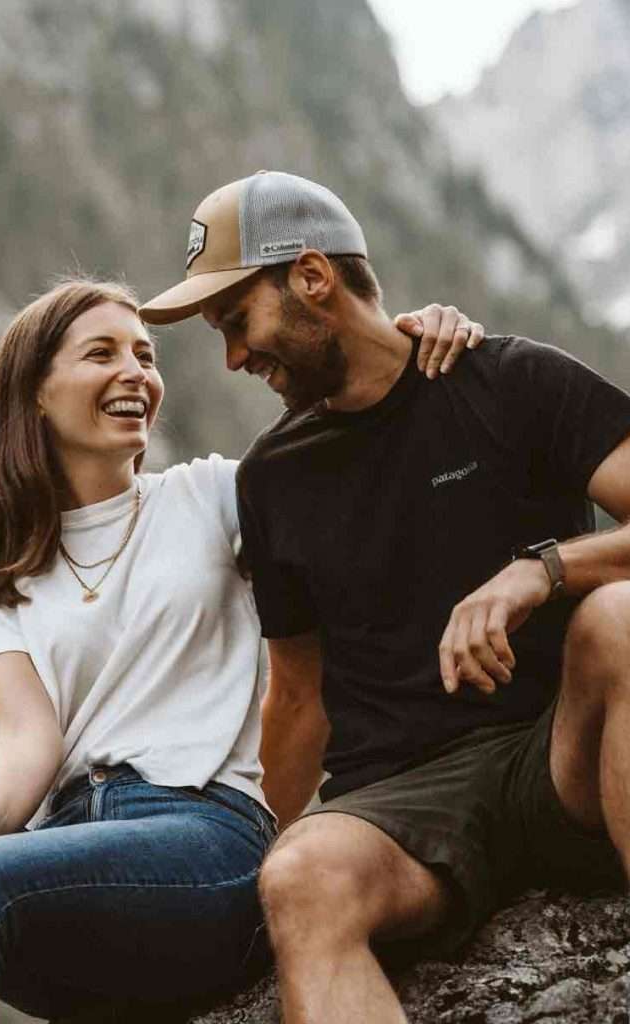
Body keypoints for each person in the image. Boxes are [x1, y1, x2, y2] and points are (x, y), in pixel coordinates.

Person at [0, 278, 477, 1024]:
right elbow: (28, 736)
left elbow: (359, 461)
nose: (136, 373)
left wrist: (403, 350)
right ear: (35, 393)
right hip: (62, 857)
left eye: (144, 356)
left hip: (201, 846)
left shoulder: (214, 495)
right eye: (102, 353)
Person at [140, 170, 630, 1024]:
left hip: (562, 755)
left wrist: (539, 571)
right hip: (399, 804)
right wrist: (246, 854)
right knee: (300, 879)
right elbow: (296, 695)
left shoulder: (509, 382)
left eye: (236, 322)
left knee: (620, 617)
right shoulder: (272, 478)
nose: (232, 357)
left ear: (311, 277)